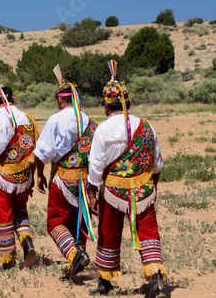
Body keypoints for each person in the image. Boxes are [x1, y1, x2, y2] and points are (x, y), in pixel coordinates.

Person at [87, 61, 166, 297]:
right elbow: (157, 163)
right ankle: (157, 279)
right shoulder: (147, 127)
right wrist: (151, 187)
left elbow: (96, 166)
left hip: (113, 191)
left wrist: (93, 192)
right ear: (127, 103)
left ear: (106, 106)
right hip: (143, 189)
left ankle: (105, 281)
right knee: (149, 232)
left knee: (108, 232)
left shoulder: (103, 129)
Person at [34, 66, 99, 279]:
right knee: (78, 222)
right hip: (86, 180)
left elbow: (43, 151)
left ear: (60, 100)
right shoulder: (91, 122)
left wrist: (39, 174)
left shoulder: (55, 119)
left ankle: (74, 254)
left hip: (63, 179)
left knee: (55, 222)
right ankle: (78, 257)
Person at [0, 80, 38, 270]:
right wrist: (33, 177)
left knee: (4, 216)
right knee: (20, 211)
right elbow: (34, 154)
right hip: (24, 176)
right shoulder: (29, 119)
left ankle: (8, 260)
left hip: (3, 176)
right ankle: (26, 241)